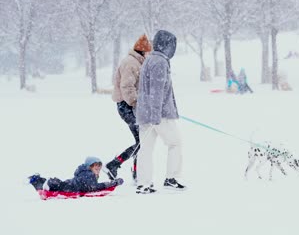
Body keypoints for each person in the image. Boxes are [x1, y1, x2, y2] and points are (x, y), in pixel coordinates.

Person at [134, 30, 186, 194]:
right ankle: (171, 178)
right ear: (166, 45)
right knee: (175, 143)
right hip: (159, 116)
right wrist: (155, 115)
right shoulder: (160, 62)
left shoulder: (150, 59)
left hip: (144, 114)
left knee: (146, 149)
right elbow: (156, 91)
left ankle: (144, 183)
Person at [106, 34, 152, 182]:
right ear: (143, 51)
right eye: (149, 52)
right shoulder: (131, 63)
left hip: (130, 105)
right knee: (142, 140)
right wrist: (137, 102)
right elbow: (126, 87)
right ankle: (114, 164)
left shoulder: (137, 62)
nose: (150, 55)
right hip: (126, 106)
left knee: (142, 139)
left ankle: (136, 172)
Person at [28, 157, 124, 193]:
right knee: (57, 186)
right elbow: (93, 187)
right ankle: (41, 183)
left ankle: (38, 180)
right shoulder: (89, 175)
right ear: (89, 166)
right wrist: (113, 183)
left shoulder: (86, 173)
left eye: (99, 166)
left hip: (70, 184)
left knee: (59, 184)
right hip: (71, 187)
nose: (98, 168)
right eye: (96, 165)